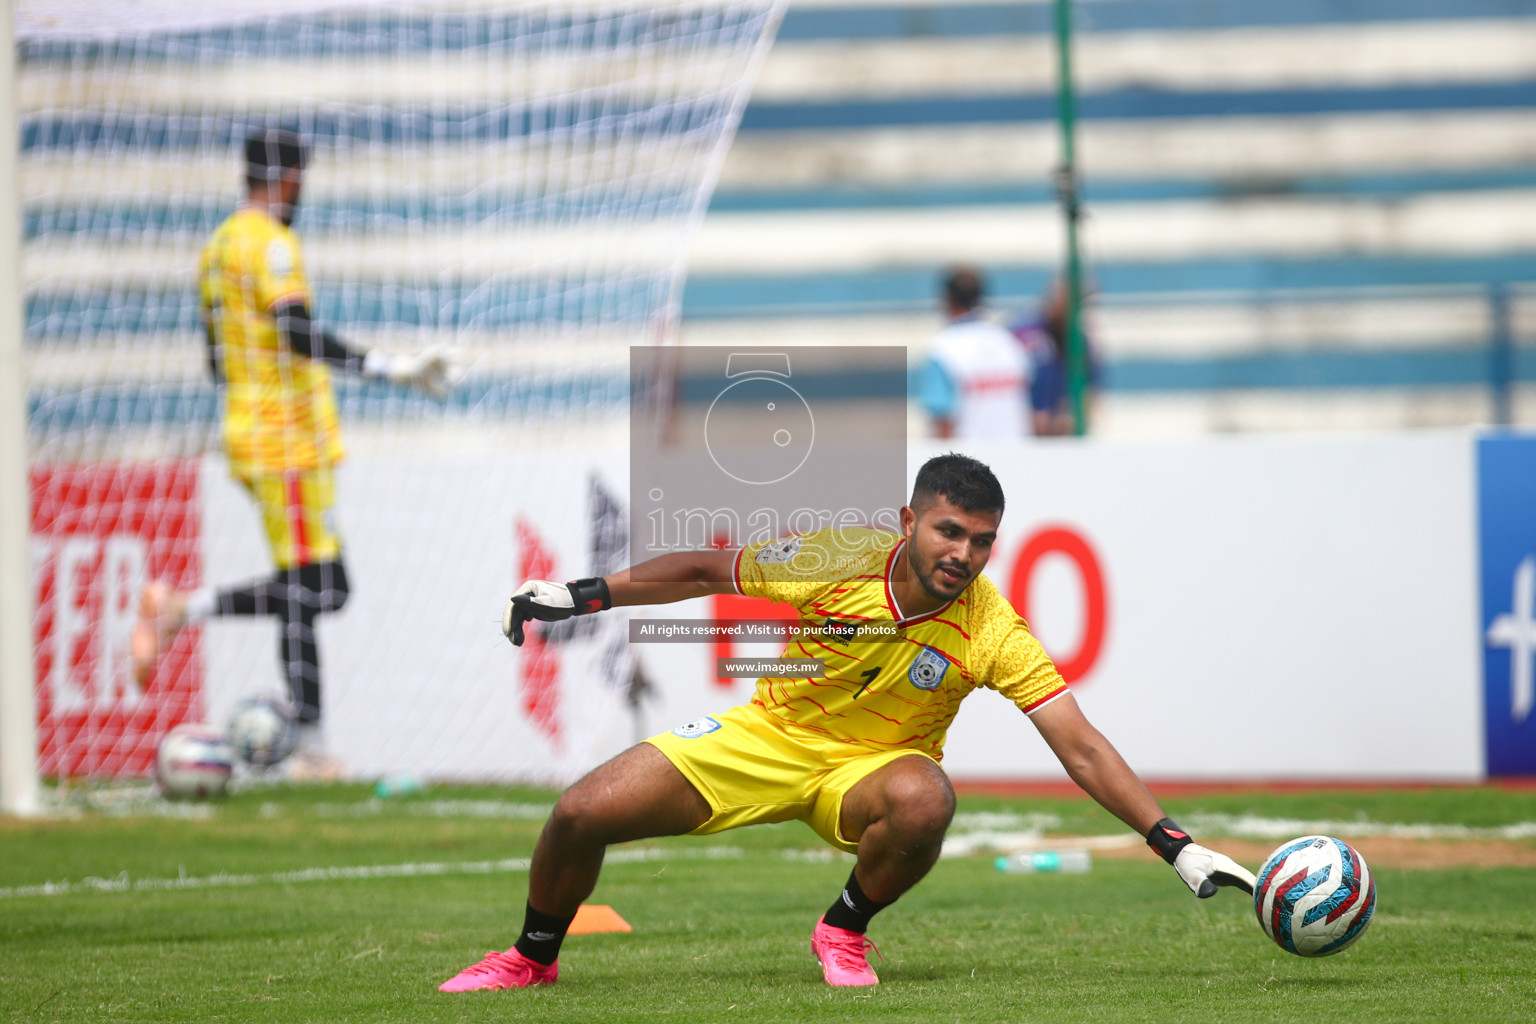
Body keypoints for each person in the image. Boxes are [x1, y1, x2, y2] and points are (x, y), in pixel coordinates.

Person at [438, 453, 1254, 992]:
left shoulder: (992, 629)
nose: (963, 554)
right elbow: (700, 569)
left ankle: (844, 929)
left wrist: (1171, 844)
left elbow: (1078, 743)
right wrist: (581, 595)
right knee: (580, 814)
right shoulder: (836, 558)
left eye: (982, 542)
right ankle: (530, 960)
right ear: (907, 521)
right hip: (764, 739)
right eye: (949, 531)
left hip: (868, 776)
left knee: (927, 796)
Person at [131, 127, 455, 778]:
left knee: (317, 586)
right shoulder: (272, 244)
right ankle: (308, 743)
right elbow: (297, 330)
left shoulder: (219, 245)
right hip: (285, 438)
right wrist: (393, 368)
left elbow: (217, 358)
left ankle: (183, 613)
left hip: (252, 429)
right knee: (315, 587)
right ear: (290, 180)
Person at [919, 266, 1032, 439]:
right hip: (1016, 454)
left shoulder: (942, 349)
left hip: (966, 460)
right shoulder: (1008, 343)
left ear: (948, 300)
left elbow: (942, 421)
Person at [1010, 278, 1100, 437]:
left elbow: (1091, 392)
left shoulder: (1079, 342)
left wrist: (1071, 417)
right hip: (1023, 429)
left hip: (1060, 432)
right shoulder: (1025, 333)